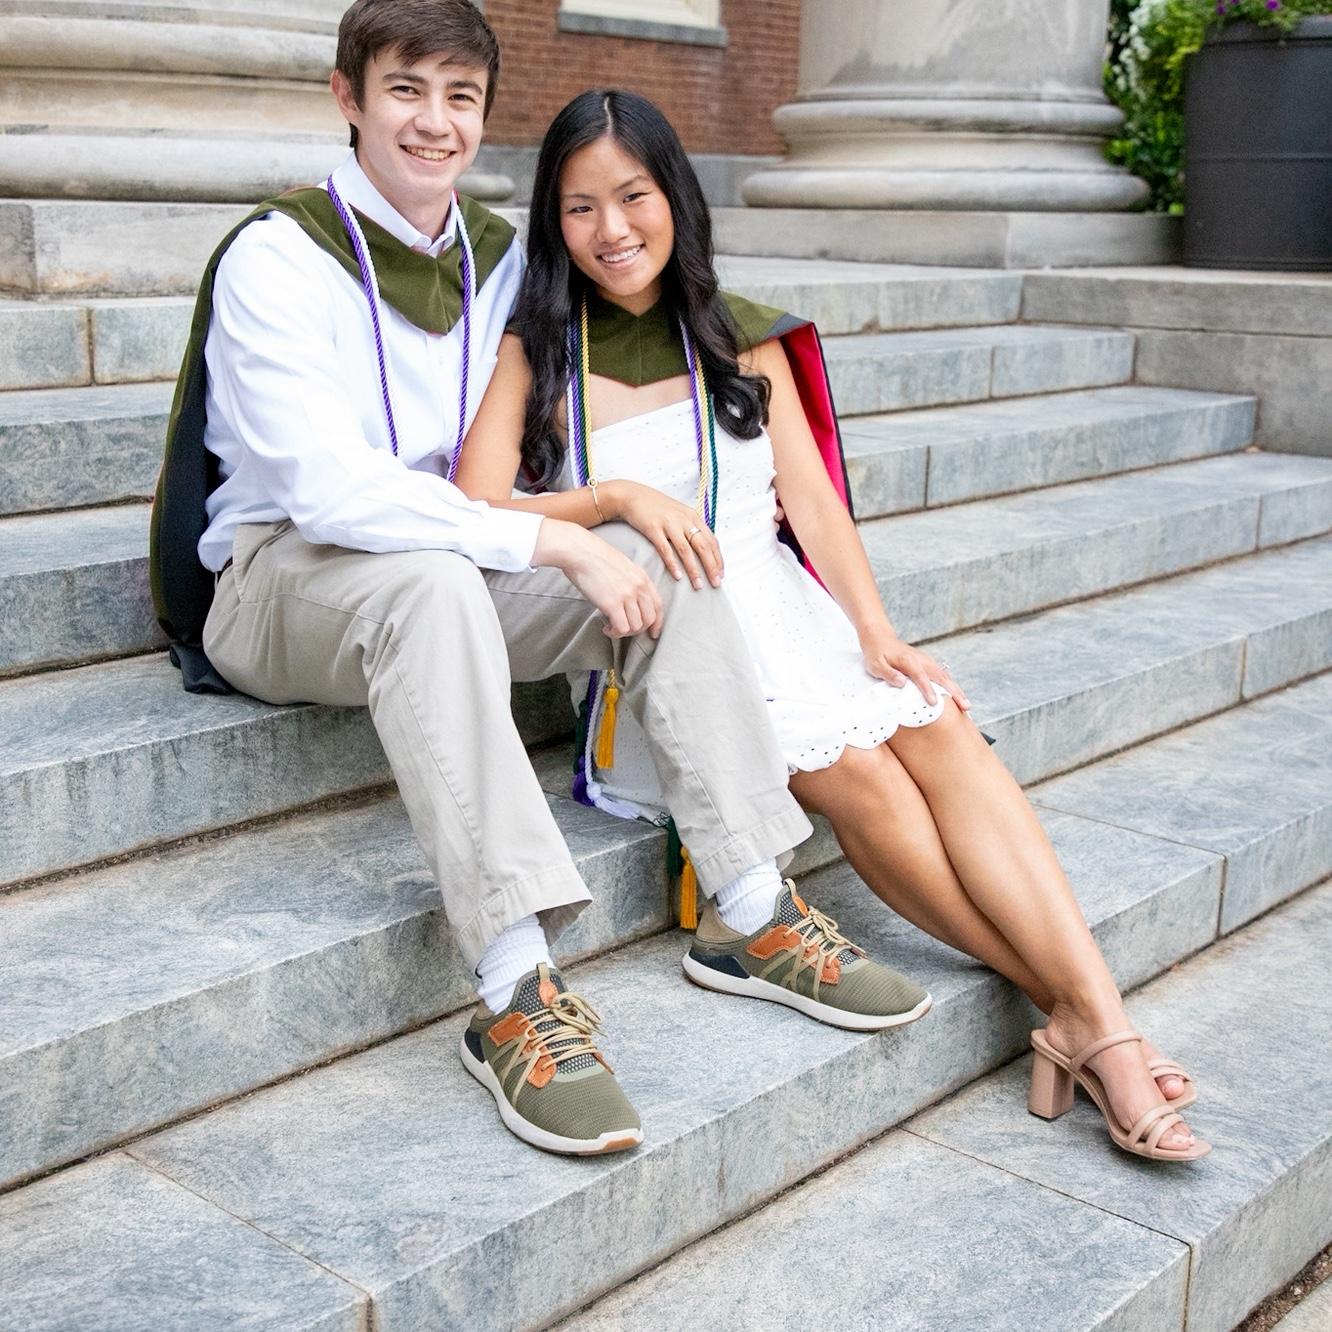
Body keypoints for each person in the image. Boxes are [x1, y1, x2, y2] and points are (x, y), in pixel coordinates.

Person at [147, 0, 931, 1160]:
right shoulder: (278, 256)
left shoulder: (498, 254)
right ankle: (516, 990)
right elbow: (325, 492)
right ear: (347, 97)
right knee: (432, 584)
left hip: (455, 564)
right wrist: (559, 537)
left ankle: (752, 908)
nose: (433, 122)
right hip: (283, 583)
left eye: (460, 97)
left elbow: (633, 284)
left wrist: (623, 505)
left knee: (670, 556)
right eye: (405, 90)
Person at [455, 89, 1209, 1162]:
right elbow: (483, 510)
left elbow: (811, 506)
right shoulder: (543, 350)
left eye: (633, 196)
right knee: (870, 781)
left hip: (785, 604)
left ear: (676, 196)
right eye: (579, 209)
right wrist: (611, 502)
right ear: (552, 222)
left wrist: (877, 632)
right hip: (671, 639)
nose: (612, 230)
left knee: (936, 721)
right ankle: (1098, 1029)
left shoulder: (742, 339)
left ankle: (1092, 1016)